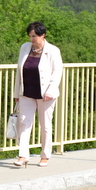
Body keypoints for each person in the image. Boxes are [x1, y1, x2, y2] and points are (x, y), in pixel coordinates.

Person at [12, 22, 64, 167]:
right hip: (26, 92)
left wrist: (51, 91)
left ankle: (45, 155)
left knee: (45, 125)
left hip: (45, 94)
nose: (31, 39)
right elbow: (19, 71)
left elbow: (57, 72)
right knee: (24, 123)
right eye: (30, 36)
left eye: (34, 36)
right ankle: (23, 155)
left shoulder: (53, 50)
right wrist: (16, 93)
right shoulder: (24, 48)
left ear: (43, 35)